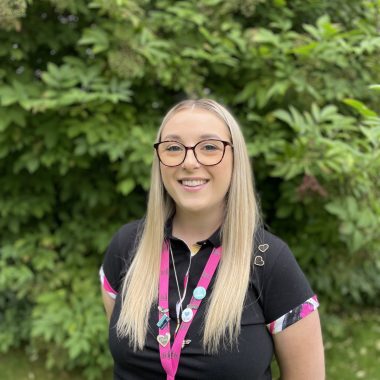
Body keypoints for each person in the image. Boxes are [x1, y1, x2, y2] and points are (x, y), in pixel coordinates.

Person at [100, 99, 325, 380]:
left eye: (209, 147)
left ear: (236, 157)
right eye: (173, 148)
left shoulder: (270, 260)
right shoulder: (127, 245)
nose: (189, 162)